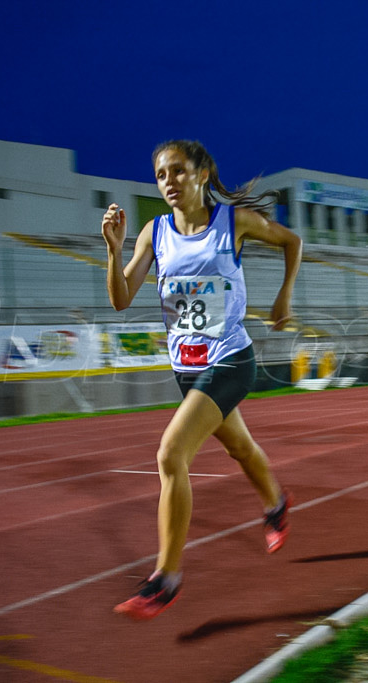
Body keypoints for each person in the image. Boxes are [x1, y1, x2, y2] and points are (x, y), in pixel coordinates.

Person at [103, 140, 303, 620]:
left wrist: (283, 299)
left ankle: (166, 579)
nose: (169, 182)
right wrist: (113, 250)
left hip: (231, 359)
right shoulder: (154, 233)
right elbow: (121, 298)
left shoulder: (233, 223)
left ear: (202, 173)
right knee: (238, 447)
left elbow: (292, 242)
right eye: (160, 175)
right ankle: (276, 504)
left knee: (171, 453)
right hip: (187, 368)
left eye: (177, 172)